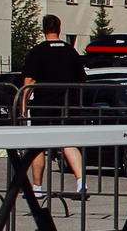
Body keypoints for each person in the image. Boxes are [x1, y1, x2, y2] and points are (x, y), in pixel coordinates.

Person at [16, 13, 88, 199]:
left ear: (43, 30)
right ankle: (81, 182)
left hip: (43, 105)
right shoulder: (71, 51)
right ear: (60, 28)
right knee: (68, 143)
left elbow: (28, 82)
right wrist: (78, 104)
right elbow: (81, 82)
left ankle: (37, 188)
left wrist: (24, 106)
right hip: (67, 105)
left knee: (38, 145)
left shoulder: (38, 51)